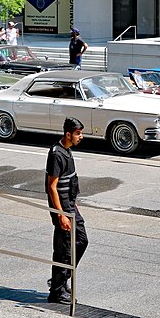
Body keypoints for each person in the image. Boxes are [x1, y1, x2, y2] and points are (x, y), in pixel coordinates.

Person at [46, 117, 88, 304]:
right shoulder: (57, 154)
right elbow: (52, 186)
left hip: (71, 207)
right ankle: (57, 291)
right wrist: (61, 214)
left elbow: (69, 182)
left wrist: (74, 204)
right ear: (68, 134)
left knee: (81, 241)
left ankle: (61, 279)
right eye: (78, 133)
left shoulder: (67, 151)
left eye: (81, 133)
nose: (81, 136)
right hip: (62, 210)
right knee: (63, 250)